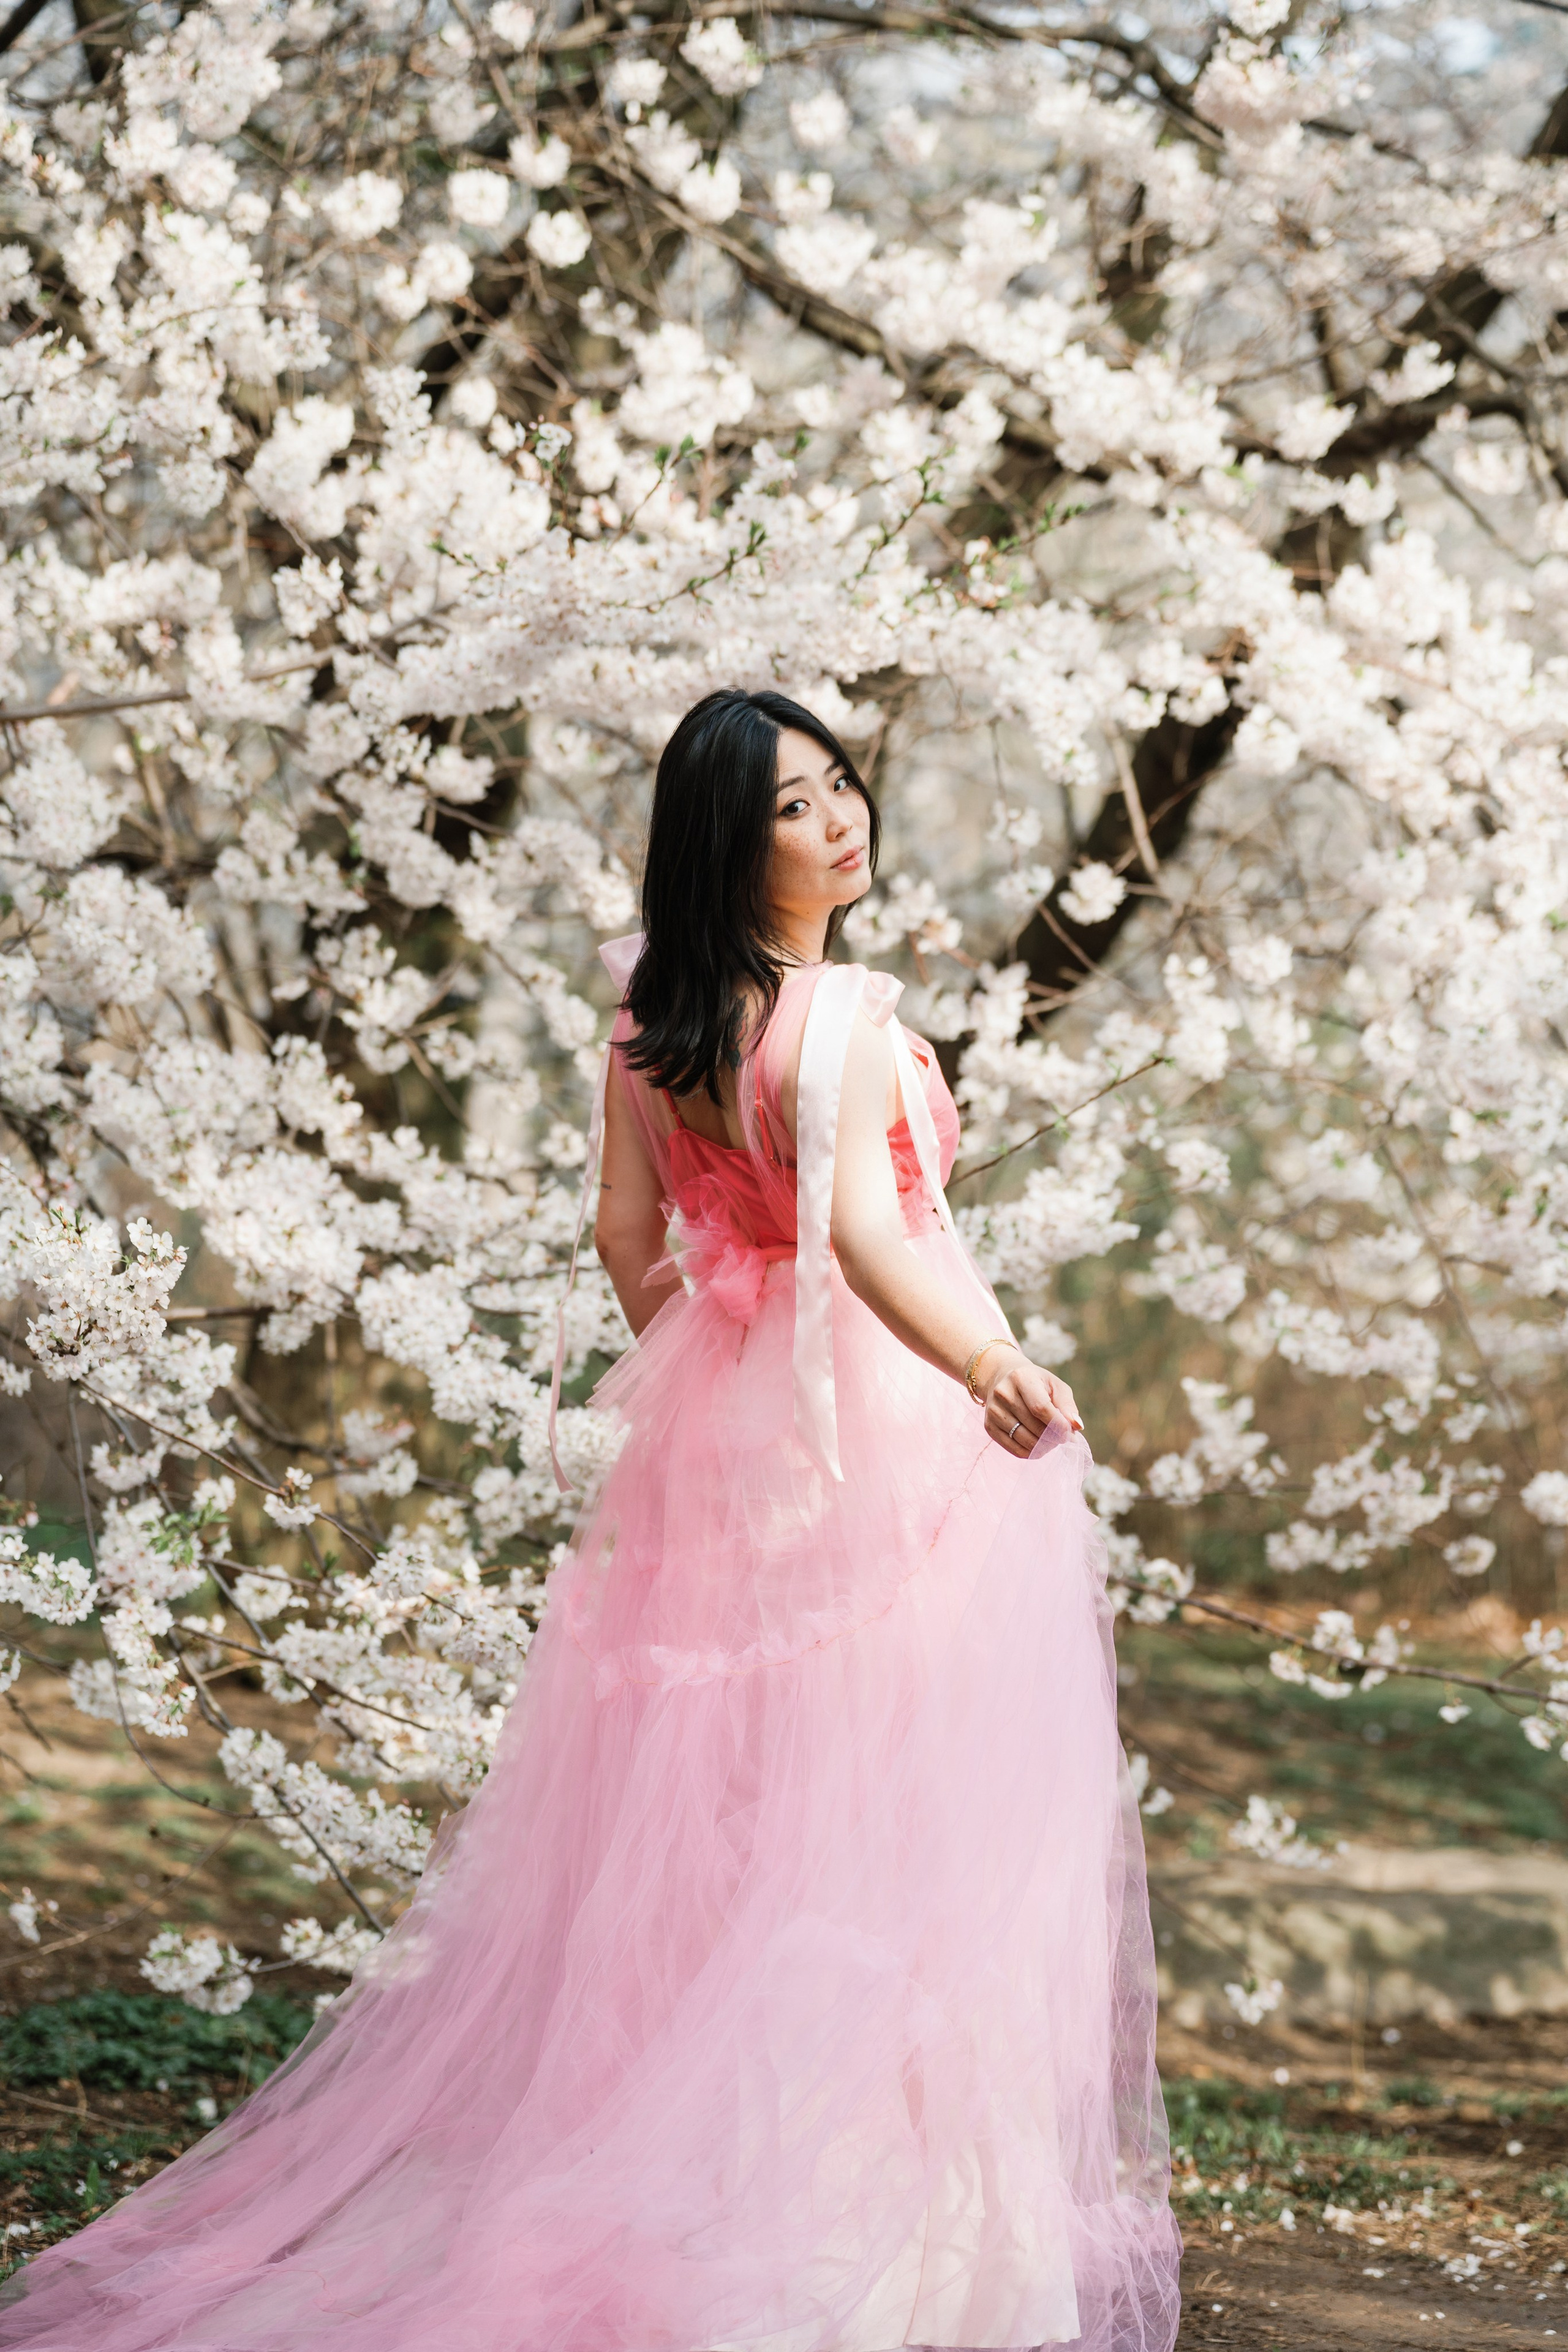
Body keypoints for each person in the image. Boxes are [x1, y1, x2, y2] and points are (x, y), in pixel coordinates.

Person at [0, 689, 1180, 2352]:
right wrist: (988, 1358)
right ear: (726, 840)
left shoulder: (653, 1012)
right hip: (888, 1433)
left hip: (732, 1434)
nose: (840, 818)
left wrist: (722, 1384)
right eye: (793, 805)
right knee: (893, 1832)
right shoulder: (833, 1011)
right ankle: (867, 2232)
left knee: (726, 1839)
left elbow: (631, 1240)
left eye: (841, 785)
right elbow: (861, 1228)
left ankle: (717, 2186)